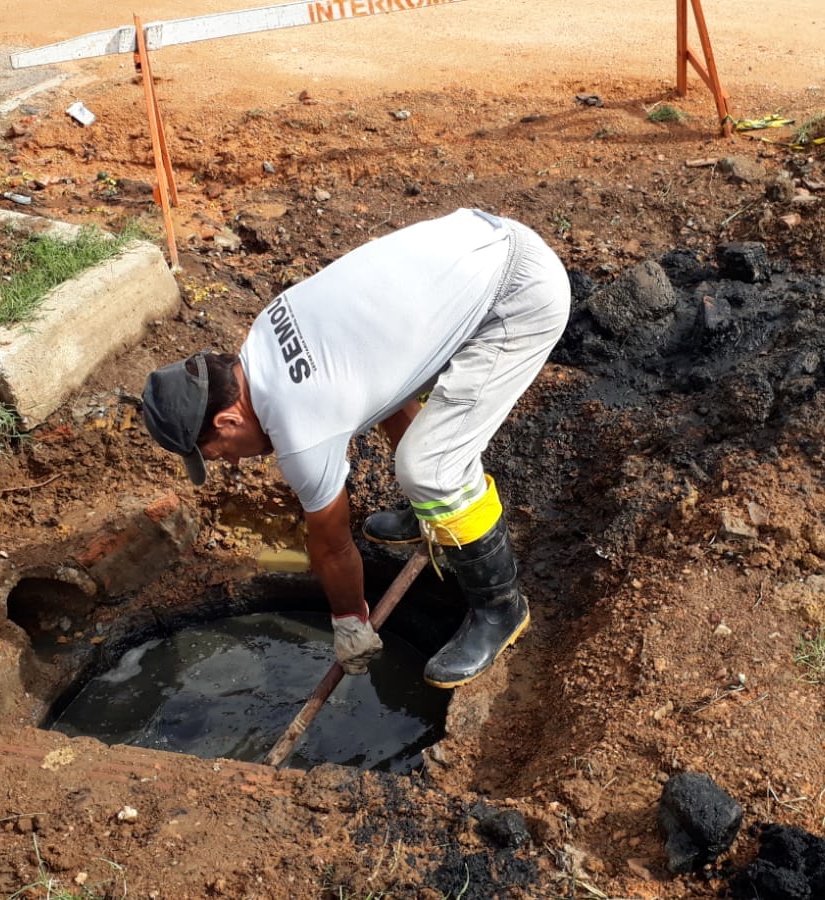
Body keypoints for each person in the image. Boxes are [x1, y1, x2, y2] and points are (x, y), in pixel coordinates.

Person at [140, 208, 570, 688]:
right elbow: (381, 384)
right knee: (424, 473)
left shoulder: (299, 426)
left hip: (517, 297)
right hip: (481, 241)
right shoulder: (264, 334)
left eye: (220, 451)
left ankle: (500, 611)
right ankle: (431, 510)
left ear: (228, 419)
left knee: (430, 467)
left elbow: (332, 544)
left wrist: (350, 622)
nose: (235, 461)